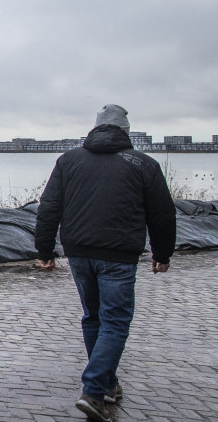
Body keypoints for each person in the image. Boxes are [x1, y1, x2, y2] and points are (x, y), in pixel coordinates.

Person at [35, 104, 176, 422]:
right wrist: (161, 254)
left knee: (93, 318)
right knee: (114, 322)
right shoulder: (144, 164)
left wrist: (44, 249)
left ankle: (108, 383)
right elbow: (163, 214)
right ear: (125, 131)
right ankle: (94, 390)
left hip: (79, 254)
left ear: (95, 129)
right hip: (119, 255)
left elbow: (49, 207)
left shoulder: (68, 160)